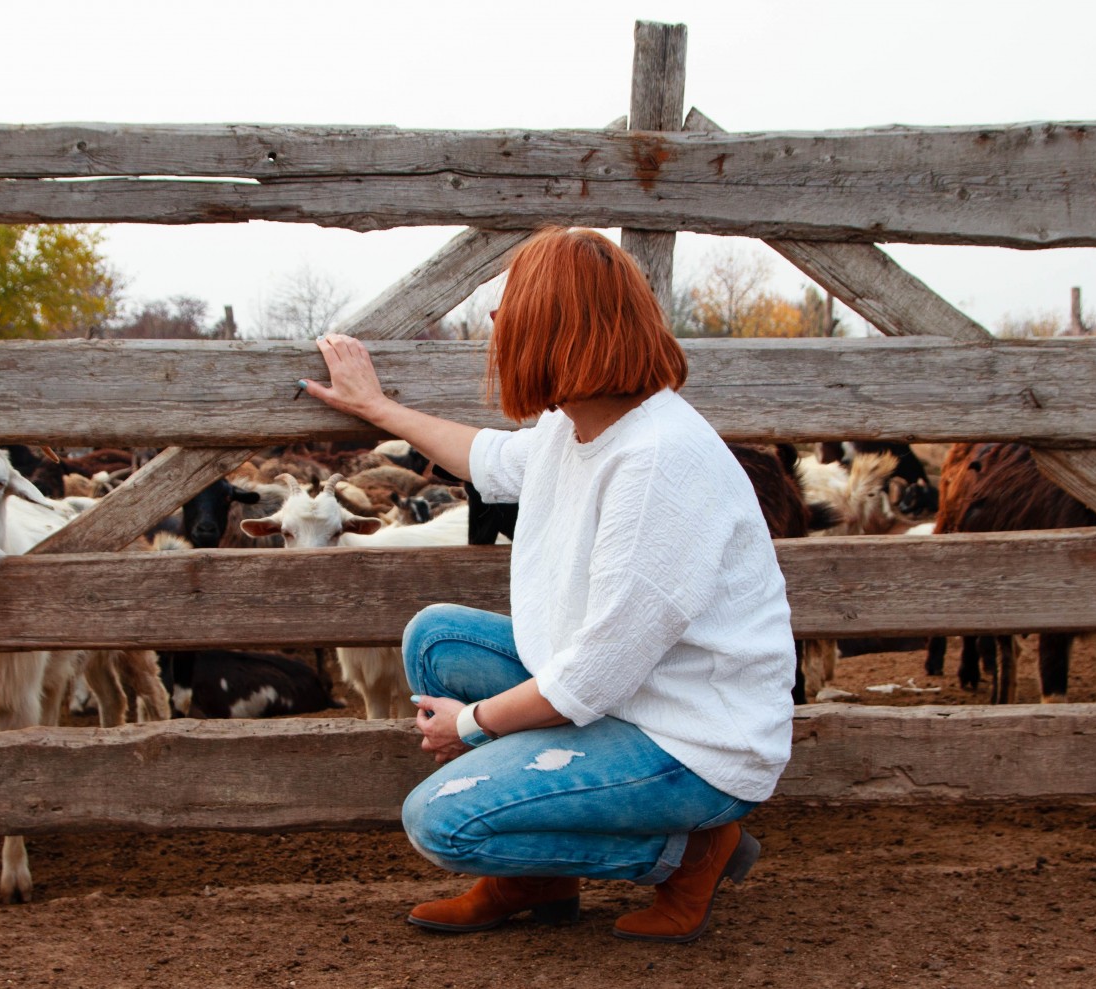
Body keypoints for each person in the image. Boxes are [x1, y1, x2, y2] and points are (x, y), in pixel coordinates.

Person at [297, 226, 794, 943]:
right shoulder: (581, 424)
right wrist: (377, 408)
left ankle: (690, 853)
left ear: (560, 329)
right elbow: (488, 456)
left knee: (440, 821)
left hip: (690, 739)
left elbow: (593, 676)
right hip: (630, 695)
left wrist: (469, 723)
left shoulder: (657, 462)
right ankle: (538, 876)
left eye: (514, 306)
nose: (498, 322)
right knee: (438, 639)